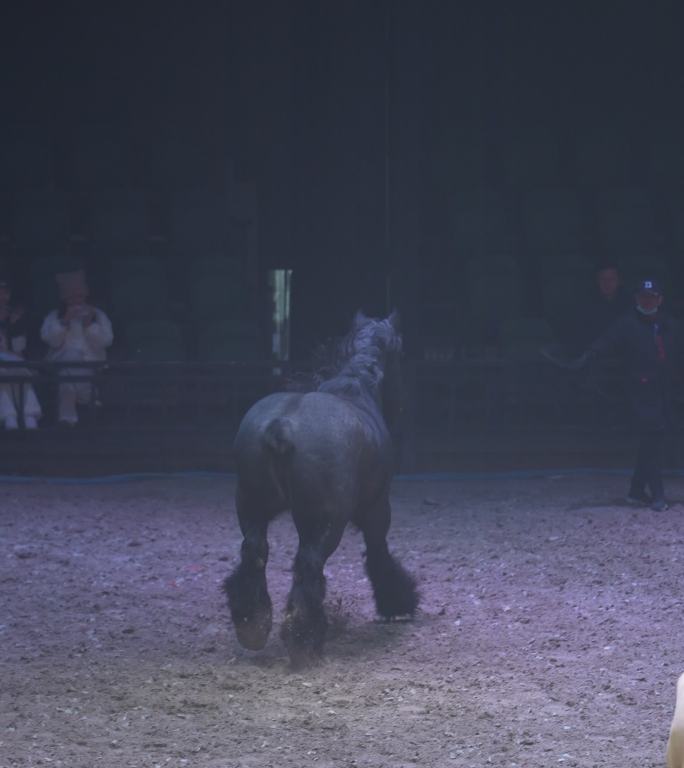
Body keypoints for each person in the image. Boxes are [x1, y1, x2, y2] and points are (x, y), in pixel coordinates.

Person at [581, 278, 677, 511]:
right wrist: (586, 358)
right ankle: (658, 494)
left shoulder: (669, 324)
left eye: (652, 297)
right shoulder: (626, 324)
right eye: (643, 297)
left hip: (664, 391)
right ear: (636, 299)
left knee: (652, 441)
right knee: (652, 436)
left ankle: (636, 490)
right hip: (640, 391)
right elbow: (604, 343)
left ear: (660, 300)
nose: (647, 301)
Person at [40, 269, 113, 426]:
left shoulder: (98, 314)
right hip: (62, 363)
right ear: (65, 299)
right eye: (72, 298)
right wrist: (65, 321)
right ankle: (87, 398)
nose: (76, 301)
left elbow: (106, 341)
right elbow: (52, 341)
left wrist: (88, 325)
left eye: (79, 296)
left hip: (91, 364)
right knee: (68, 371)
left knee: (68, 384)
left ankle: (70, 414)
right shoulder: (54, 316)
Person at [0, 277, 42, 429]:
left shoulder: (14, 318)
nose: (2, 297)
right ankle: (9, 416)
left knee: (21, 371)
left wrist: (13, 326)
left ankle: (29, 415)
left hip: (13, 361)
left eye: (5, 293)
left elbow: (19, 349)